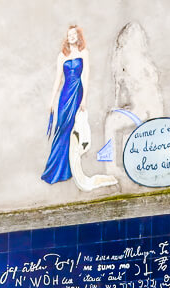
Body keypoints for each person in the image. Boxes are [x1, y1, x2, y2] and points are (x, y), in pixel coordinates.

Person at [41, 25, 117, 191]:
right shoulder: (62, 56)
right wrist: (51, 101)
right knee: (62, 127)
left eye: (74, 34)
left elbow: (86, 76)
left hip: (77, 92)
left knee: (72, 129)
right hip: (65, 94)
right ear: (67, 38)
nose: (72, 37)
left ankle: (68, 168)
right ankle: (55, 169)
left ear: (78, 36)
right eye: (69, 35)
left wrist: (84, 99)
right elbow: (57, 80)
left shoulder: (84, 53)